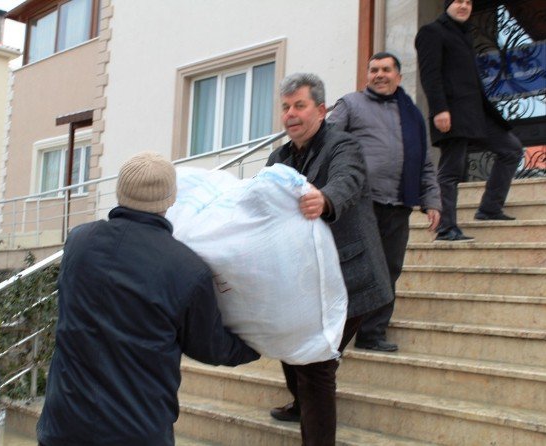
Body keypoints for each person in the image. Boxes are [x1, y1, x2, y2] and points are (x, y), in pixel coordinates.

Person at [36, 152, 260, 446]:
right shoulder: (186, 268)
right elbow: (210, 346)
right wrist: (255, 346)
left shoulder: (79, 241)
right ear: (170, 199)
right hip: (137, 429)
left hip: (64, 424)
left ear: (119, 192)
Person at [266, 73, 393, 446]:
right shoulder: (279, 157)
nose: (291, 114)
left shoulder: (344, 145)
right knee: (293, 346)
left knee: (317, 365)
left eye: (299, 105)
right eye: (286, 107)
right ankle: (301, 403)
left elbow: (347, 180)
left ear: (321, 110)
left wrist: (325, 199)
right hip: (306, 277)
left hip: (351, 276)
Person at [327, 52, 441, 352]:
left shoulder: (413, 114)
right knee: (354, 268)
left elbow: (425, 163)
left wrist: (432, 200)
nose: (379, 74)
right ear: (367, 75)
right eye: (374, 69)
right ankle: (335, 332)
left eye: (386, 69)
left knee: (388, 268)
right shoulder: (351, 104)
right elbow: (326, 142)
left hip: (399, 203)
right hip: (360, 203)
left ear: (398, 76)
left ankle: (372, 333)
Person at [415, 0, 523, 241]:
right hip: (452, 112)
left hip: (477, 112)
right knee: (451, 170)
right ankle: (446, 228)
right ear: (447, 5)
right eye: (458, 1)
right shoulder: (432, 32)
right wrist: (440, 109)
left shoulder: (465, 34)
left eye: (468, 2)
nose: (464, 6)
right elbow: (430, 74)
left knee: (512, 149)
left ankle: (489, 208)